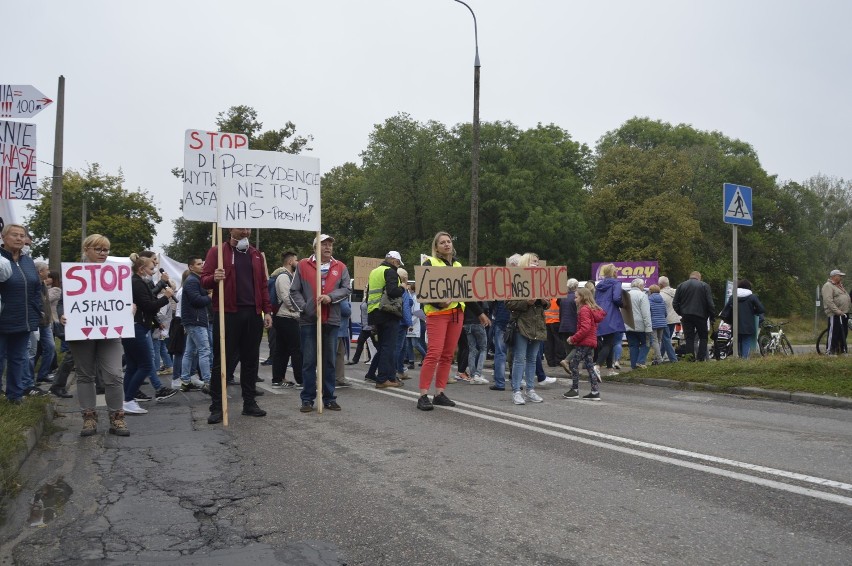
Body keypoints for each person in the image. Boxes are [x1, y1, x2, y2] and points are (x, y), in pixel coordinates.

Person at [201, 227, 274, 424]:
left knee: (250, 361)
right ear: (231, 228)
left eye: (248, 228)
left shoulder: (256, 255)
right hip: (227, 313)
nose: (246, 232)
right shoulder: (217, 252)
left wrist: (267, 311)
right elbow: (204, 280)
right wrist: (214, 278)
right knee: (221, 361)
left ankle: (249, 403)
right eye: (241, 228)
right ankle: (217, 406)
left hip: (252, 313)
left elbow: (263, 285)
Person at [66, 235, 129, 436]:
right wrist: (62, 315)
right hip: (81, 330)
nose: (103, 253)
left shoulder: (117, 273)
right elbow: (63, 301)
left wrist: (131, 307)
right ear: (87, 249)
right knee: (85, 375)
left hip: (110, 333)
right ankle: (89, 418)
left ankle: (117, 419)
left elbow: (125, 298)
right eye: (99, 249)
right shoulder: (72, 273)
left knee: (114, 375)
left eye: (106, 250)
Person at [290, 234, 351, 413]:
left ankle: (329, 398)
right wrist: (306, 308)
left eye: (330, 244)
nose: (328, 247)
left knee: (329, 361)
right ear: (315, 246)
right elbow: (294, 291)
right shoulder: (303, 265)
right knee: (309, 361)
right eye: (324, 244)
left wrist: (330, 297)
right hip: (309, 321)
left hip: (331, 320)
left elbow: (347, 289)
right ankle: (307, 399)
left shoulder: (340, 266)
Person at [417, 231, 465, 411]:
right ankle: (423, 395)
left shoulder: (459, 265)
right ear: (436, 247)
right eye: (442, 242)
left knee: (448, 355)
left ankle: (439, 392)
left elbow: (466, 291)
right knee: (434, 353)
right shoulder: (430, 263)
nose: (447, 244)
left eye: (449, 241)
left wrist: (481, 313)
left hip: (456, 313)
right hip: (438, 314)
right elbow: (423, 290)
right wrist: (438, 302)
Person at [123, 253, 176, 415]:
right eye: (151, 268)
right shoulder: (137, 283)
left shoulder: (138, 282)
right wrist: (166, 297)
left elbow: (146, 302)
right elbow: (149, 305)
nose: (153, 271)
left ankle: (127, 398)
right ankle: (129, 399)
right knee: (146, 365)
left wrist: (155, 320)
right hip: (137, 327)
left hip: (137, 326)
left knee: (132, 365)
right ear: (141, 269)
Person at [0, 224, 42, 404]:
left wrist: (36, 311)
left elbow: (36, 288)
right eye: (14, 235)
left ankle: (15, 396)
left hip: (24, 319)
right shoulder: (1, 259)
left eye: (22, 235)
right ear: (3, 237)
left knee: (19, 358)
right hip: (3, 318)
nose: (19, 238)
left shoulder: (28, 261)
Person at [507, 252, 548, 405]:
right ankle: (516, 390)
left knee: (532, 358)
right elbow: (508, 303)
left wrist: (544, 301)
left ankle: (530, 390)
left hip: (538, 323)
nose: (536, 264)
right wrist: (527, 302)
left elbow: (548, 303)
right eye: (533, 261)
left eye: (537, 262)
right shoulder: (515, 280)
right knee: (519, 358)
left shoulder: (543, 280)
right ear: (525, 263)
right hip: (522, 323)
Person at [365, 250, 405, 390]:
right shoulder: (390, 271)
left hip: (374, 312)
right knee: (389, 347)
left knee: (383, 346)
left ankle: (387, 377)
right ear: (395, 261)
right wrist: (403, 288)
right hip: (388, 312)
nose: (398, 266)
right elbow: (393, 291)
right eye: (398, 263)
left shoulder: (374, 272)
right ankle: (383, 379)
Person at [562, 287, 606, 400]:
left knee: (573, 364)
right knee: (590, 367)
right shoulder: (590, 309)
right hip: (590, 341)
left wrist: (573, 338)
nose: (574, 300)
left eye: (576, 297)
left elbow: (585, 328)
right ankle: (595, 391)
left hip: (584, 342)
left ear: (583, 297)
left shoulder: (584, 310)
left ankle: (575, 390)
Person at [180, 256, 212, 391]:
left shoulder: (195, 280)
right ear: (191, 267)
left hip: (194, 321)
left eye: (202, 263)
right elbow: (196, 300)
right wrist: (210, 296)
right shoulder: (192, 281)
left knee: (189, 351)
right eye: (199, 264)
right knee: (204, 350)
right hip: (196, 321)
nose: (202, 266)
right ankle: (208, 381)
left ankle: (185, 380)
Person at [271, 251, 302, 387]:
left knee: (282, 350)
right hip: (286, 317)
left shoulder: (289, 276)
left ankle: (278, 378)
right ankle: (301, 380)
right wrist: (301, 309)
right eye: (296, 260)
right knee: (296, 349)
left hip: (284, 317)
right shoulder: (284, 277)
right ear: (290, 262)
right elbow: (287, 298)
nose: (298, 263)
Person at [673, 271, 715, 361]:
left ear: (690, 277)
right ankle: (701, 358)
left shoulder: (681, 286)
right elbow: (710, 303)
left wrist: (681, 312)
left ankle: (690, 359)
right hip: (701, 316)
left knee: (689, 338)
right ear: (699, 277)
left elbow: (675, 303)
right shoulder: (704, 286)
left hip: (686, 316)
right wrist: (712, 315)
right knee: (703, 337)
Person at [720, 279, 766, 359]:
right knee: (746, 341)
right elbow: (761, 309)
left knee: (737, 340)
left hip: (735, 323)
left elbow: (726, 311)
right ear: (749, 287)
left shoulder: (732, 297)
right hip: (748, 324)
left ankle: (738, 357)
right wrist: (753, 311)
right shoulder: (752, 297)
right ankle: (744, 360)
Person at [594, 263, 625, 377]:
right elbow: (616, 298)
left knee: (608, 341)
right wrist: (623, 304)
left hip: (599, 313)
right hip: (611, 313)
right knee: (609, 342)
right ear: (614, 272)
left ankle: (610, 369)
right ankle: (597, 366)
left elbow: (595, 299)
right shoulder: (616, 283)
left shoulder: (599, 285)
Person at [624, 278, 652, 369]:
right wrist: (648, 327)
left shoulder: (625, 295)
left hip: (628, 324)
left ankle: (634, 367)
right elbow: (646, 313)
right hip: (641, 325)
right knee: (647, 343)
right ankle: (640, 361)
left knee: (633, 346)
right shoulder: (642, 295)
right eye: (643, 285)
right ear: (640, 286)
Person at [820, 269, 849, 355]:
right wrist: (837, 311)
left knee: (843, 332)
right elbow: (828, 300)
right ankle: (830, 351)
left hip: (843, 313)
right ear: (834, 276)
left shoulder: (839, 286)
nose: (841, 277)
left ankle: (840, 350)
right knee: (834, 333)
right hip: (835, 313)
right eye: (839, 276)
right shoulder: (828, 285)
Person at [558, 278, 579, 375]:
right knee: (578, 347)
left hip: (563, 326)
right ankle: (567, 361)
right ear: (576, 286)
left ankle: (571, 370)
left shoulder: (562, 297)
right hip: (574, 326)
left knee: (568, 349)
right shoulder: (576, 298)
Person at [657, 276, 680, 362]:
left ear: (660, 285)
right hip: (674, 319)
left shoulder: (660, 294)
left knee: (666, 339)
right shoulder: (675, 292)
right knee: (666, 339)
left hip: (665, 319)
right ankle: (659, 357)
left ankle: (673, 359)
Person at [647, 285, 669, 364]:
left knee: (654, 341)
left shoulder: (649, 300)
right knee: (659, 341)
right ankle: (657, 358)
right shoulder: (662, 300)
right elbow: (665, 313)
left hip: (653, 323)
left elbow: (648, 312)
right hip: (662, 323)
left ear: (651, 291)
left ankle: (659, 359)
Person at [347, 298, 373, 365]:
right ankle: (356, 359)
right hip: (365, 326)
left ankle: (373, 358)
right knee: (361, 342)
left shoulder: (370, 300)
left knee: (375, 344)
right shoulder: (366, 299)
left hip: (371, 326)